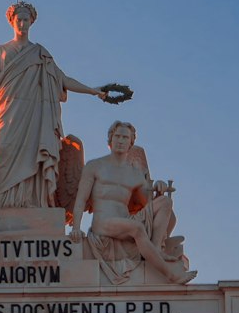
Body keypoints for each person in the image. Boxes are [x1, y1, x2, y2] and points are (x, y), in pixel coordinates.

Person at [0, 2, 113, 209]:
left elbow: (62, 79)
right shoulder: (0, 52)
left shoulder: (40, 54)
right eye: (18, 19)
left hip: (36, 114)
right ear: (11, 21)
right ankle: (2, 200)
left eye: (26, 19)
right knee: (5, 153)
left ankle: (35, 201)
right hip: (9, 113)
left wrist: (93, 90)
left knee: (34, 155)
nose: (22, 23)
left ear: (32, 22)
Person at [71, 121, 194, 284]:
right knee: (137, 228)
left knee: (164, 202)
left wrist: (158, 189)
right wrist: (76, 227)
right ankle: (171, 274)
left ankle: (156, 247)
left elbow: (148, 204)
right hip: (103, 224)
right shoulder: (95, 166)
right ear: (110, 140)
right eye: (117, 136)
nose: (121, 140)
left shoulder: (135, 174)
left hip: (125, 222)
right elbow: (81, 199)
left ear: (131, 142)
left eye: (125, 137)